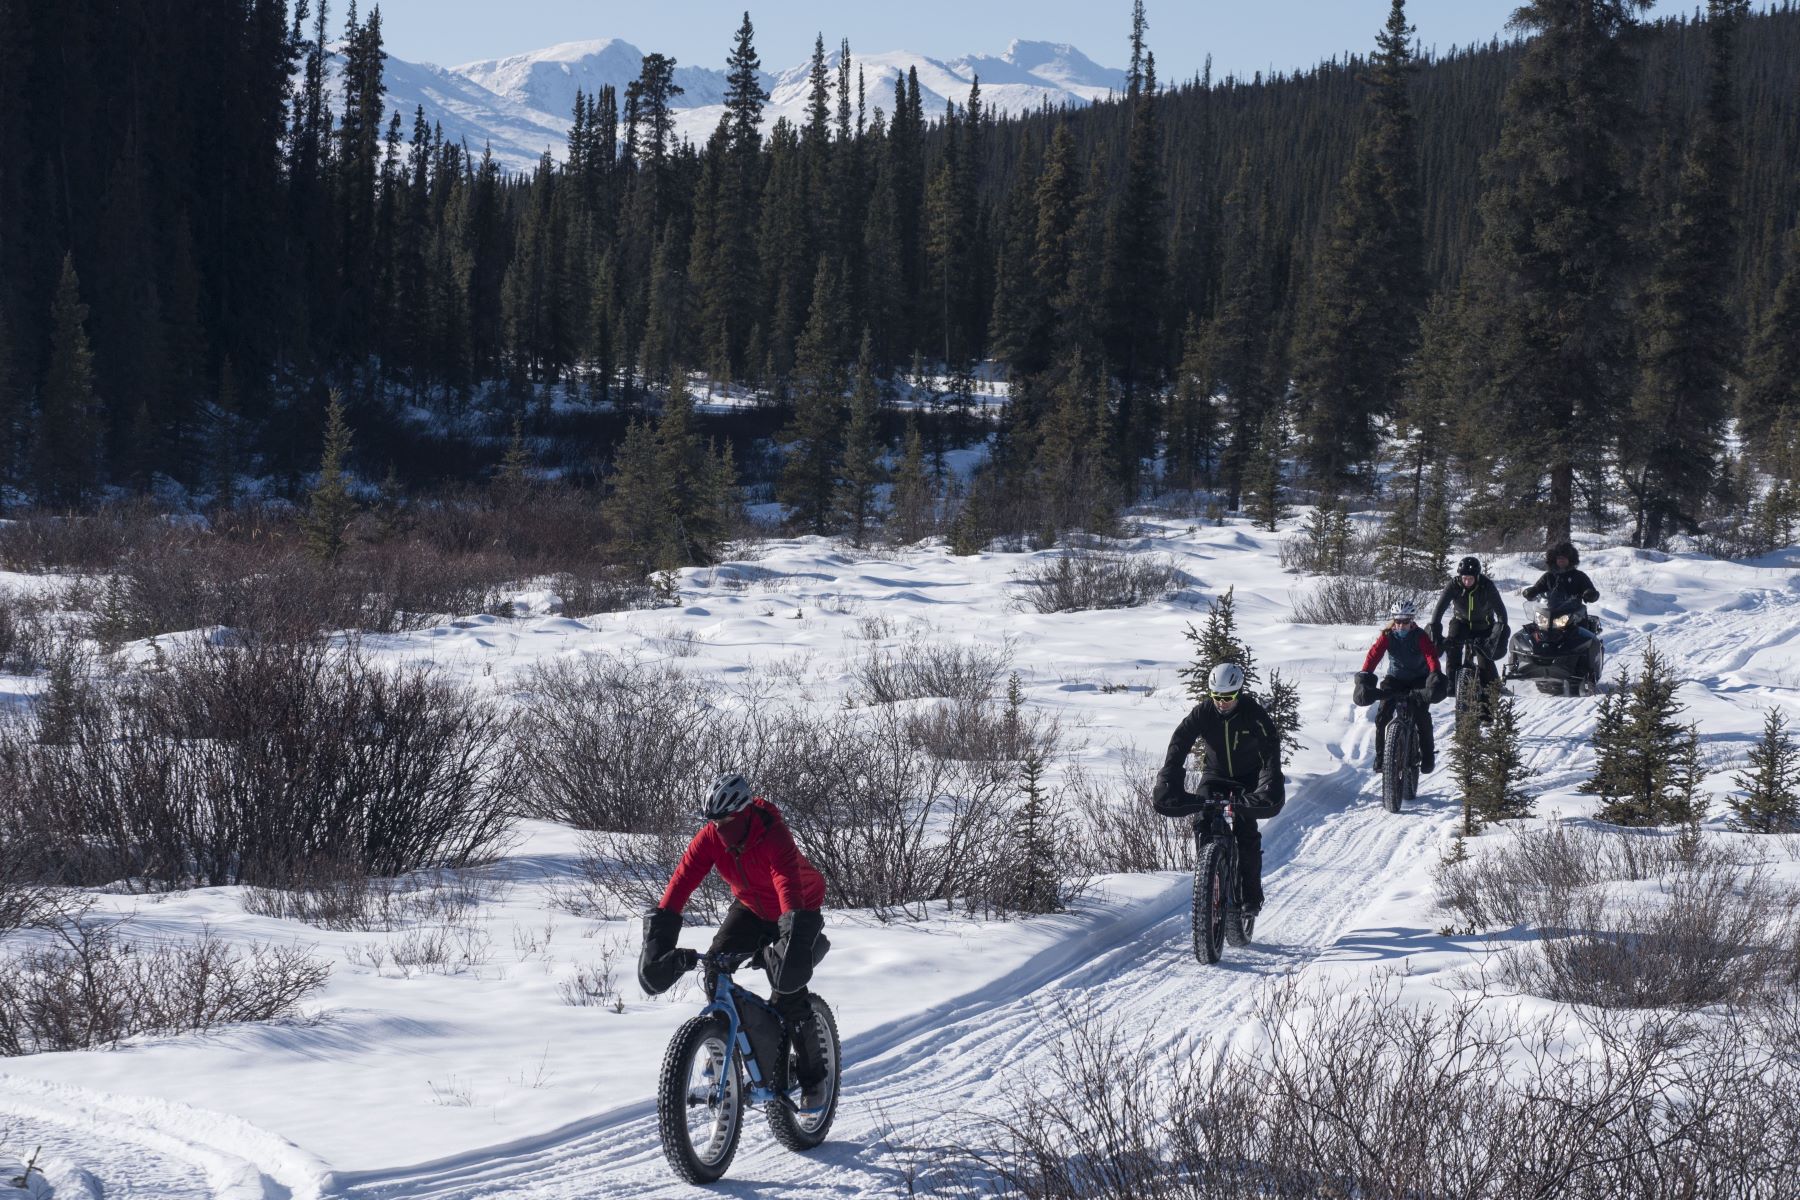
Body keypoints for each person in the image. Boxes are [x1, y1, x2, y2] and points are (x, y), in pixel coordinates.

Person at [636, 772, 831, 1109]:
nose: (719, 827)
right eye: (714, 821)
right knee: (715, 968)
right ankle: (726, 1046)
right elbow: (681, 882)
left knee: (788, 990)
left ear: (744, 814)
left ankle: (815, 1079)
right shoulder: (711, 837)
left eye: (726, 819)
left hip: (799, 906)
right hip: (751, 907)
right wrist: (661, 934)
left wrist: (788, 941)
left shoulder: (773, 834)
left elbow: (787, 882)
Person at [1151, 662, 1286, 916]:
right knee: (1203, 820)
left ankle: (1251, 897)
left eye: (1228, 697)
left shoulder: (1253, 713)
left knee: (1246, 831)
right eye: (1217, 696)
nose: (1222, 702)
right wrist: (1169, 778)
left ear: (1239, 692)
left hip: (1248, 778)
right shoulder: (1203, 712)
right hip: (1215, 775)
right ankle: (1208, 878)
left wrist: (1268, 783)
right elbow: (1180, 742)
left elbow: (1270, 749)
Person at [1362, 599, 1441, 774]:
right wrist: (1365, 675)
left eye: (1405, 621)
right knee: (1382, 716)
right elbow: (1374, 655)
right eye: (1398, 621)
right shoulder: (1388, 635)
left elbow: (1431, 656)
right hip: (1395, 678)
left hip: (1419, 680)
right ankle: (1381, 756)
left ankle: (1428, 755)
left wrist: (1434, 675)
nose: (1401, 625)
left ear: (1412, 620)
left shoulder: (1420, 636)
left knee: (1421, 716)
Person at [1428, 556, 1509, 706]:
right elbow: (1439, 610)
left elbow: (1501, 612)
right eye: (1464, 578)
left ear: (1477, 577)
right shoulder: (1453, 585)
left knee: (1484, 655)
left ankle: (1492, 687)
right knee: (1453, 645)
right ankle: (1452, 684)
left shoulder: (1487, 586)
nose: (1466, 582)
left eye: (1470, 579)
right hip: (1461, 622)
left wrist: (1499, 630)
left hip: (1484, 626)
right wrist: (1435, 629)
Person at [1522, 541, 1600, 605]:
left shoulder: (1579, 576)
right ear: (1554, 559)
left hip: (1573, 612)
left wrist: (1591, 594)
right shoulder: (1548, 576)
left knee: (1581, 623)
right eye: (1559, 558)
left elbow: (1590, 589)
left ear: (1571, 559)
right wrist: (1530, 592)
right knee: (1536, 623)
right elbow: (1538, 588)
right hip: (1550, 610)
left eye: (1564, 557)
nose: (1561, 560)